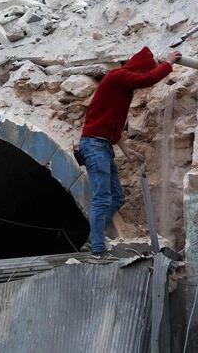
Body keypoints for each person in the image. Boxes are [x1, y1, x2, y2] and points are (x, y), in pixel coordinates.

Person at [78, 47, 180, 257]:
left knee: (116, 197)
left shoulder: (122, 89)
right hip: (94, 146)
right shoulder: (118, 76)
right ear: (138, 70)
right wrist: (168, 63)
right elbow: (149, 79)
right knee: (102, 198)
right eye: (141, 74)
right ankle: (98, 249)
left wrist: (126, 149)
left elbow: (111, 124)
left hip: (103, 146)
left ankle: (92, 239)